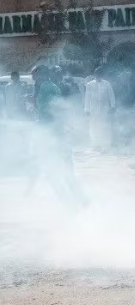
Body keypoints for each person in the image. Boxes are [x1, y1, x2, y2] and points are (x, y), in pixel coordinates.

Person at [28, 65, 86, 206]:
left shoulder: (45, 88)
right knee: (65, 167)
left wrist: (32, 101)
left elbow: (44, 108)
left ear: (41, 75)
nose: (33, 78)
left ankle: (69, 201)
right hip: (58, 132)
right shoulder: (53, 86)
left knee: (52, 169)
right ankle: (78, 199)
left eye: (34, 75)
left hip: (51, 133)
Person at [84, 66, 116, 152]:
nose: (98, 75)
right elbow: (87, 97)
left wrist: (112, 106)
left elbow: (111, 95)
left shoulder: (107, 84)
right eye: (96, 74)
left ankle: (105, 145)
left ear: (102, 74)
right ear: (94, 74)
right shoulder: (89, 84)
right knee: (93, 127)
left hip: (104, 109)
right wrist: (86, 110)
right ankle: (95, 145)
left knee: (104, 126)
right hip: (93, 109)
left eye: (100, 73)